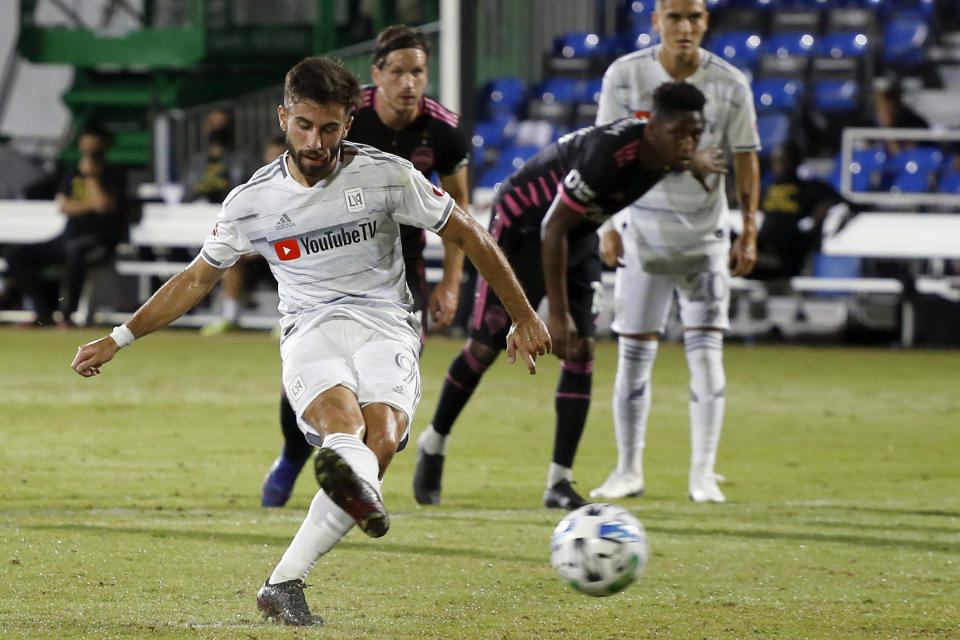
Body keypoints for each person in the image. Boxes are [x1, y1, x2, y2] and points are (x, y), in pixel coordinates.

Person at [70, 56, 550, 627]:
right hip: (309, 327)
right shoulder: (252, 202)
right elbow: (197, 279)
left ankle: (285, 581)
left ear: (348, 123)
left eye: (329, 128)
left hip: (385, 321)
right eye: (303, 125)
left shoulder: (386, 175)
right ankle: (348, 496)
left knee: (386, 439)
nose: (316, 141)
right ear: (283, 118)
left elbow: (469, 231)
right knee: (342, 428)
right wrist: (119, 337)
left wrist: (521, 314)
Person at [414, 81, 725, 509]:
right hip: (524, 228)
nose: (690, 143)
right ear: (654, 127)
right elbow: (552, 226)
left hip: (575, 234)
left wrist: (694, 161)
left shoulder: (665, 148)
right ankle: (434, 443)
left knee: (580, 350)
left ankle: (559, 482)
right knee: (486, 347)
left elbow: (571, 225)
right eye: (683, 134)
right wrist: (554, 314)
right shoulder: (608, 155)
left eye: (697, 134)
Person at [259, 25, 472, 508]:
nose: (408, 82)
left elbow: (459, 210)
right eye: (397, 71)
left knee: (388, 376)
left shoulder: (444, 130)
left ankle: (358, 482)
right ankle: (294, 455)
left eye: (417, 71)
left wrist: (451, 283)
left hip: (403, 269)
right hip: (331, 261)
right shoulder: (344, 115)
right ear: (378, 74)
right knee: (313, 368)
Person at [587, 0, 760, 503]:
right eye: (675, 17)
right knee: (633, 357)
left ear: (706, 22)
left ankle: (702, 474)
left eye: (694, 17)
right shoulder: (624, 76)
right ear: (655, 21)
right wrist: (608, 222)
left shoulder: (730, 84)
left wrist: (748, 228)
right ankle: (628, 470)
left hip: (706, 240)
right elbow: (604, 150)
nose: (684, 27)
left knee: (706, 355)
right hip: (642, 234)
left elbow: (747, 159)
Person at [3, 126, 126, 327]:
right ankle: (44, 313)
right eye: (85, 150)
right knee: (18, 256)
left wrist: (91, 177)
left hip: (100, 241)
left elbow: (104, 205)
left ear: (104, 147)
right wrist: (89, 203)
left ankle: (68, 316)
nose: (88, 155)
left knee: (75, 251)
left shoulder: (113, 174)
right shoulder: (71, 173)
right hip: (68, 237)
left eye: (93, 151)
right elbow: (64, 205)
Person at [200, 134, 287, 335]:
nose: (275, 161)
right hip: (259, 253)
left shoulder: (302, 187)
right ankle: (230, 317)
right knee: (232, 258)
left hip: (287, 254)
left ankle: (287, 321)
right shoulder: (254, 188)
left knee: (288, 258)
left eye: (280, 156)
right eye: (272, 155)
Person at [751, 142, 844, 280]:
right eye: (777, 161)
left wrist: (820, 215)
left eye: (786, 160)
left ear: (798, 162)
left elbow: (843, 202)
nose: (781, 165)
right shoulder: (767, 187)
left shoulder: (811, 188)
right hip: (761, 250)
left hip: (785, 258)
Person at [181, 108, 258, 204]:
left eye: (221, 123)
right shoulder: (196, 162)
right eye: (212, 123)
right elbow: (186, 193)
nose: (216, 127)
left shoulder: (243, 160)